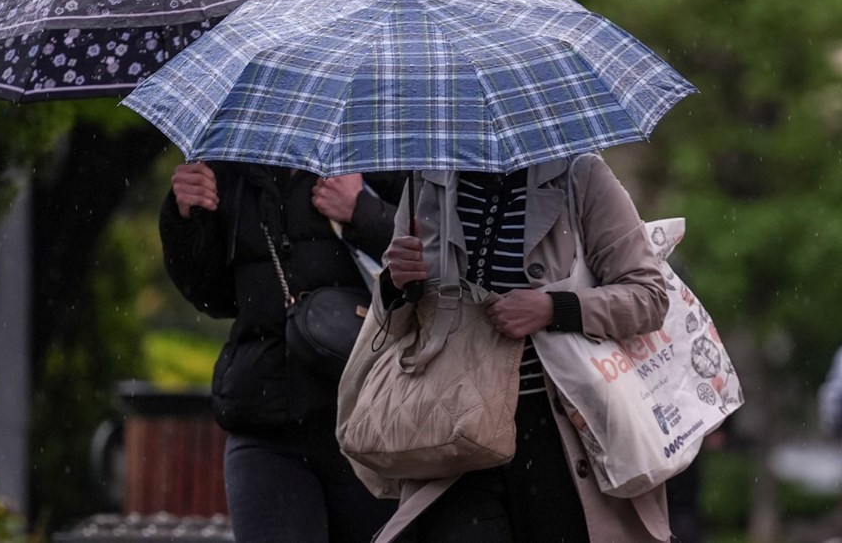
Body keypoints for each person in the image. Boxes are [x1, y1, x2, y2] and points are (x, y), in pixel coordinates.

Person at [375, 153, 672, 542]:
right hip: (451, 429)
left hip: (555, 432)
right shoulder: (426, 181)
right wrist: (395, 284)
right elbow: (393, 322)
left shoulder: (580, 174)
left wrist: (553, 309)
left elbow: (648, 297)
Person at [159, 161, 405, 543]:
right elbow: (215, 296)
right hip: (266, 421)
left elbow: (438, 269)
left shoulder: (384, 148)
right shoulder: (232, 165)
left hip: (371, 421)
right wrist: (186, 217)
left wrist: (362, 211)